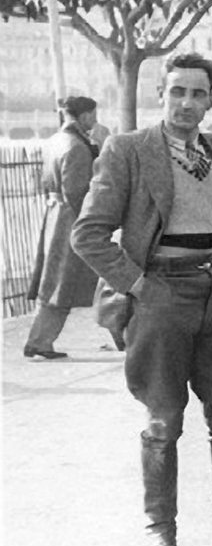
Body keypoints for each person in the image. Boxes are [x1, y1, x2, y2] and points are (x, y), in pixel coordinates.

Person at [72, 52, 212, 546]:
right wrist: (139, 287)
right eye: (177, 91)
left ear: (211, 100)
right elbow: (88, 234)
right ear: (161, 94)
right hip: (162, 298)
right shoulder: (129, 150)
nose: (186, 103)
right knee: (163, 421)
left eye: (198, 94)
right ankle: (161, 531)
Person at [24, 97, 101, 359]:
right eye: (93, 115)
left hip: (55, 216)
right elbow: (77, 192)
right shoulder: (77, 147)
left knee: (55, 282)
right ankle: (40, 341)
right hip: (70, 219)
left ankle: (39, 339)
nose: (95, 120)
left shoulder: (55, 141)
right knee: (62, 285)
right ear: (85, 115)